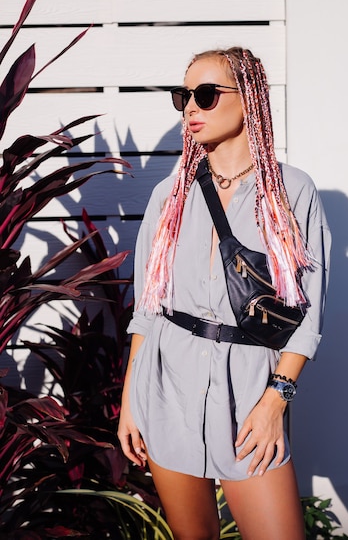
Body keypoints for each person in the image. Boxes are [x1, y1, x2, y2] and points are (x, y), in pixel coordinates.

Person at [118, 47, 331, 540]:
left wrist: (276, 400)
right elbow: (149, 310)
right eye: (183, 96)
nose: (191, 107)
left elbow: (309, 314)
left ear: (249, 99)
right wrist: (132, 402)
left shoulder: (289, 193)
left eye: (207, 95)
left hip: (250, 395)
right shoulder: (169, 197)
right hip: (166, 389)